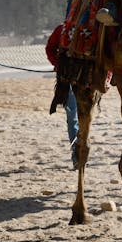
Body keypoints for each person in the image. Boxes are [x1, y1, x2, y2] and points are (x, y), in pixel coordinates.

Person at [46, 24, 79, 169]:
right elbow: (50, 48)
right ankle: (76, 154)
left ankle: (81, 150)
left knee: (83, 118)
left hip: (89, 81)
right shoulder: (62, 29)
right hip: (68, 80)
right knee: (73, 119)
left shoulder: (93, 27)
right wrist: (59, 65)